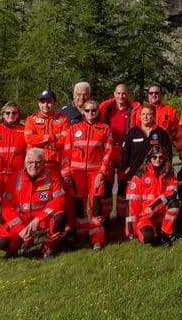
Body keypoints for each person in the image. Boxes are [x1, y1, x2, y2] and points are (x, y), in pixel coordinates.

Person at [0, 148, 67, 259]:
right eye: (30, 162)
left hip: (42, 220)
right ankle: (15, 247)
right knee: (2, 242)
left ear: (43, 162)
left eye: (38, 162)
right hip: (21, 219)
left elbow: (60, 200)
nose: (34, 166)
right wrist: (20, 229)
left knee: (60, 217)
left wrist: (39, 218)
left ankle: (47, 247)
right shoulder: (14, 178)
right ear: (25, 163)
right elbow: (6, 206)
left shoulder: (52, 176)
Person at [61, 101, 113, 250]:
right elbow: (66, 153)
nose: (91, 113)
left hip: (95, 173)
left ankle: (97, 238)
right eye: (88, 110)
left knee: (96, 205)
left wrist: (102, 173)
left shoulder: (105, 129)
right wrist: (66, 173)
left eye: (94, 110)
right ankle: (82, 234)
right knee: (78, 205)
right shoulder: (74, 129)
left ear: (98, 112)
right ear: (83, 112)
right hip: (76, 173)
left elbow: (108, 153)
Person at [0, 102, 27, 251]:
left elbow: (28, 153)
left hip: (15, 176)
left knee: (10, 207)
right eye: (7, 113)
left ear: (18, 114)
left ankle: (6, 234)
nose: (10, 116)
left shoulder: (24, 131)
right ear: (2, 114)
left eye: (14, 113)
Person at [98, 84, 139, 220]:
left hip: (124, 151)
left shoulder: (133, 109)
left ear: (128, 94)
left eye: (124, 93)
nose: (121, 96)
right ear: (114, 94)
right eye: (118, 93)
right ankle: (105, 215)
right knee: (107, 184)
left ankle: (122, 215)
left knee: (123, 183)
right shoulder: (107, 109)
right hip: (109, 150)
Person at [126, 146, 179, 246]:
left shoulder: (169, 174)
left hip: (162, 214)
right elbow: (132, 203)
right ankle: (155, 232)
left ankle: (165, 233)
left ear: (164, 158)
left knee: (174, 203)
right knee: (148, 237)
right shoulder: (140, 176)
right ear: (149, 158)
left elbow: (172, 193)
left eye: (161, 157)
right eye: (154, 157)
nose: (157, 160)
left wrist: (153, 206)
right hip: (145, 217)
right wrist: (130, 229)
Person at [24, 89, 70, 178]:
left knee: (55, 186)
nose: (45, 105)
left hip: (56, 163)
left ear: (55, 103)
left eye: (49, 102)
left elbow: (65, 140)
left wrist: (39, 141)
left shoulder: (63, 119)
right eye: (42, 102)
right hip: (35, 164)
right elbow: (29, 139)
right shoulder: (31, 119)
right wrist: (52, 137)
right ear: (39, 104)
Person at [122, 104, 173, 180]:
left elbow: (168, 153)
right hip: (135, 174)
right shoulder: (132, 133)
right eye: (143, 114)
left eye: (148, 114)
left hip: (156, 174)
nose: (145, 117)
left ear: (154, 116)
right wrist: (125, 167)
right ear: (140, 116)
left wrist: (166, 169)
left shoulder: (161, 133)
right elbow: (125, 151)